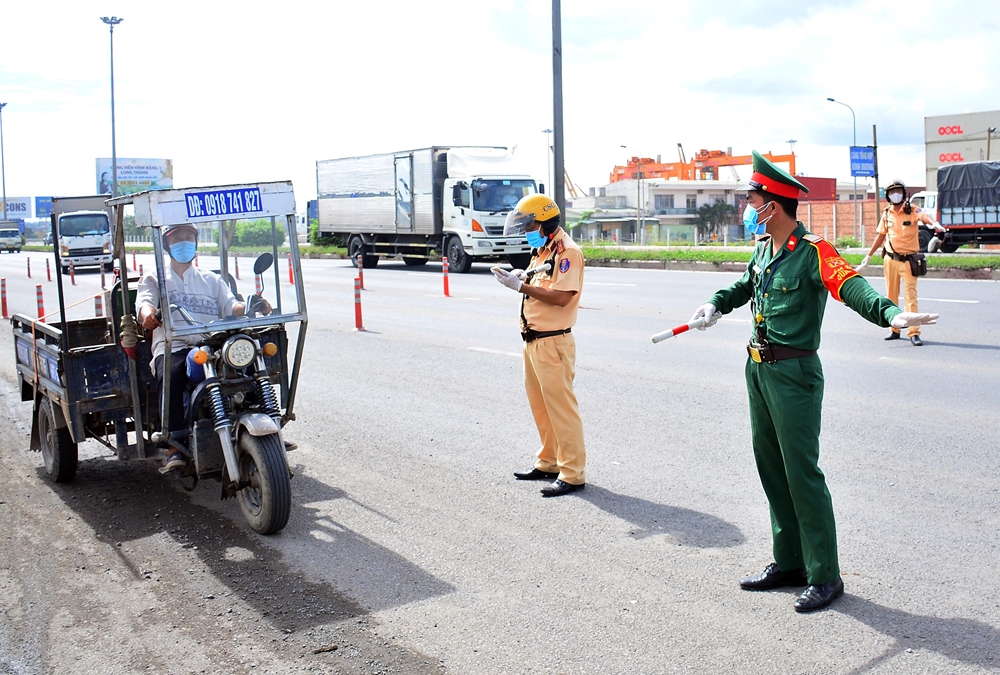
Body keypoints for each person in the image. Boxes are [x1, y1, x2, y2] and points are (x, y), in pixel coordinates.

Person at [689, 151, 938, 612]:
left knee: (802, 472)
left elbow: (851, 285)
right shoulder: (764, 246)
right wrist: (715, 304)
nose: (748, 206)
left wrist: (891, 313)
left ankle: (825, 574)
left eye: (752, 199)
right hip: (759, 369)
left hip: (794, 373)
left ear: (773, 204)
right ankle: (789, 562)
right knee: (772, 469)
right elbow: (745, 285)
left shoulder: (813, 251)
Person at [136, 223, 268, 470]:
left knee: (248, 364)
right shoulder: (154, 279)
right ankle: (174, 443)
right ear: (167, 245)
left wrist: (253, 303)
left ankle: (265, 426)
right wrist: (149, 315)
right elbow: (145, 304)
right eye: (178, 238)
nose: (184, 242)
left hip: (212, 346)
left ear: (196, 244)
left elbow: (232, 306)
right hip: (174, 346)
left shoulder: (211, 279)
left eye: (189, 237)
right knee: (172, 375)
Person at [492, 194, 586, 497]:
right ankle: (549, 461)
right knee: (541, 406)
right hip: (533, 340)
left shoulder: (567, 252)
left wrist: (521, 287)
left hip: (552, 342)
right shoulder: (543, 248)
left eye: (529, 224)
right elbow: (540, 279)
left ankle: (572, 473)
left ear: (544, 223)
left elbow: (562, 297)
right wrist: (523, 276)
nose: (526, 230)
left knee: (561, 409)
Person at [855, 180, 946, 346]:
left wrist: (933, 223)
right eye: (892, 191)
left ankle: (914, 332)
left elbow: (923, 216)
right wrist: (868, 255)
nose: (895, 194)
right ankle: (894, 329)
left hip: (908, 261)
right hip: (890, 260)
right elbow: (881, 235)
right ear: (888, 196)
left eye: (898, 191)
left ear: (903, 193)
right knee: (891, 296)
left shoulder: (911, 210)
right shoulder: (887, 213)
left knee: (910, 297)